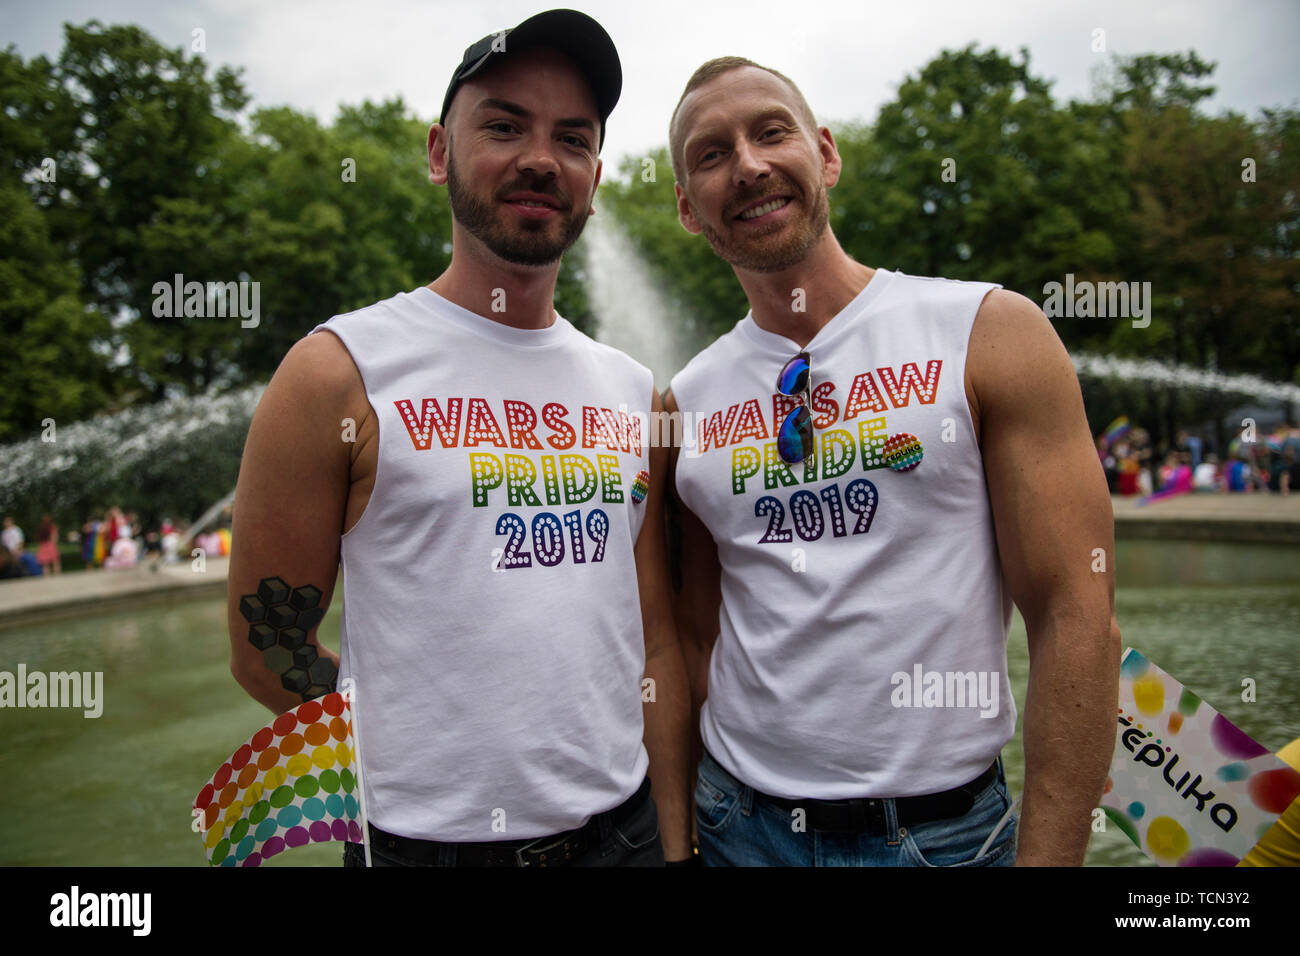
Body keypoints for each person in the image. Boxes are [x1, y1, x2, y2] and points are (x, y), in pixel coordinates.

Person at [227, 9, 690, 868]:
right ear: (440, 151)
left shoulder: (634, 392)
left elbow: (655, 639)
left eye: (573, 137)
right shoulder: (338, 372)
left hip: (622, 836)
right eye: (505, 126)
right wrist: (412, 736)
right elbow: (264, 650)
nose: (541, 159)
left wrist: (678, 845)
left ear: (595, 171)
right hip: (421, 848)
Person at [663, 57, 1119, 866]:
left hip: (940, 835)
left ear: (826, 154)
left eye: (772, 132)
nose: (750, 165)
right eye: (711, 154)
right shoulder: (687, 400)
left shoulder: (986, 331)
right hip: (739, 827)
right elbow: (697, 636)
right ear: (688, 210)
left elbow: (1073, 615)